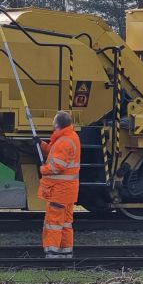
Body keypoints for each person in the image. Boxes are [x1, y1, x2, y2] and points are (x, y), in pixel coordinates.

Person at [37, 111, 80, 259]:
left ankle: (53, 253)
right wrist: (41, 144)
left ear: (57, 124)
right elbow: (54, 152)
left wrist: (42, 169)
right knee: (66, 223)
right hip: (68, 190)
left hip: (59, 190)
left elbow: (56, 166)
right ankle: (66, 252)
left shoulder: (64, 141)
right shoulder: (70, 137)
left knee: (54, 222)